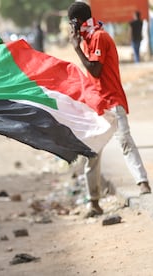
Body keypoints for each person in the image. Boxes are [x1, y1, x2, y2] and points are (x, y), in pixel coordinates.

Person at [67, 2, 150, 218]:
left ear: (77, 23)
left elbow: (95, 70)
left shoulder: (99, 38)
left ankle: (142, 183)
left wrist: (76, 49)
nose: (69, 28)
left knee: (125, 141)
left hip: (112, 101)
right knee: (92, 152)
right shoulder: (88, 39)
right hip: (98, 104)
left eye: (71, 23)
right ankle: (93, 202)